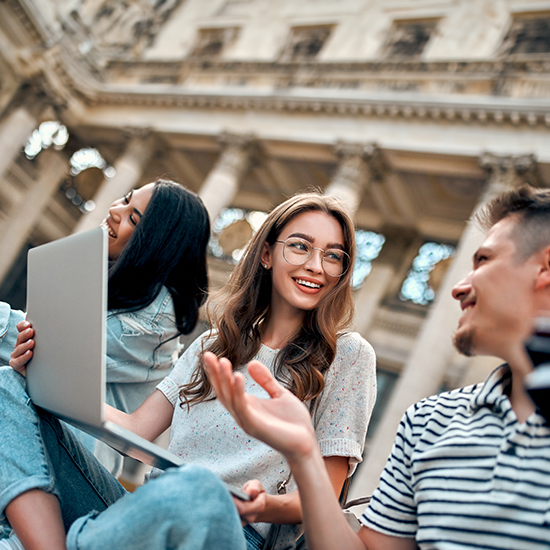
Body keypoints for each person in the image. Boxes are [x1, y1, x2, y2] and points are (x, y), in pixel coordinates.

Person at [1, 192, 376, 550]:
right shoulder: (212, 344)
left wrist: (261, 506)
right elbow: (134, 430)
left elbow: (323, 497)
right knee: (8, 384)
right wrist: (39, 376)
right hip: (144, 509)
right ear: (266, 254)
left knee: (199, 483)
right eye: (300, 245)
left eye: (334, 256)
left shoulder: (348, 355)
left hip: (232, 530)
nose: (316, 265)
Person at [205, 184, 550, 550]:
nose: (457, 288)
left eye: (482, 261)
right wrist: (306, 455)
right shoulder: (430, 421)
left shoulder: (352, 355)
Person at [2, 177, 210, 476]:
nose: (115, 211)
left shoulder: (157, 312)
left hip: (72, 461)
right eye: (125, 200)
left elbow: (46, 346)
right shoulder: (110, 276)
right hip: (39, 440)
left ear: (155, 244)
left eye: (133, 218)